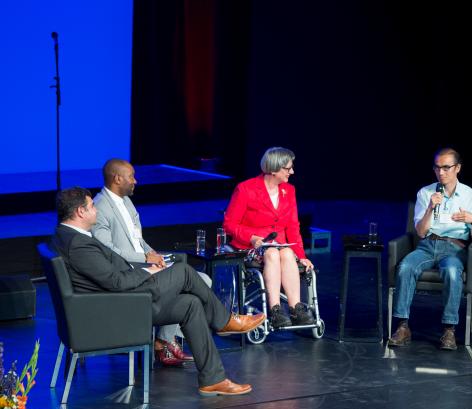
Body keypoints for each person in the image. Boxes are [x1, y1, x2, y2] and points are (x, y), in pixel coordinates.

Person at [53, 186, 265, 396]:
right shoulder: (78, 244)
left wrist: (146, 269)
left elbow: (109, 275)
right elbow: (115, 282)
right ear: (80, 212)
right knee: (184, 272)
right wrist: (148, 272)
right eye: (91, 206)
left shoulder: (67, 236)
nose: (96, 210)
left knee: (190, 304)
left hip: (121, 298)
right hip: (121, 305)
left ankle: (213, 379)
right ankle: (225, 321)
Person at [92, 158, 209, 367]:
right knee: (187, 282)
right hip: (131, 271)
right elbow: (108, 250)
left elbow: (137, 239)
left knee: (203, 279)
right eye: (131, 177)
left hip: (145, 264)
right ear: (118, 178)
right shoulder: (101, 206)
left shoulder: (126, 200)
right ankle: (166, 342)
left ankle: (164, 340)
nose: (135, 181)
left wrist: (153, 253)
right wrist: (145, 258)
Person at [388, 148, 472, 350]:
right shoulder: (425, 193)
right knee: (406, 267)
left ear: (457, 168)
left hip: (454, 248)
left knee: (451, 271)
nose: (441, 172)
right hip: (427, 245)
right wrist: (430, 208)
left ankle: (449, 330)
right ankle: (403, 326)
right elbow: (421, 232)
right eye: (437, 168)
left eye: (446, 168)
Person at [223, 147, 315, 329]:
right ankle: (275, 311)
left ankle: (296, 308)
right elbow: (229, 224)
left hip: (280, 246)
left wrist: (302, 255)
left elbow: (293, 226)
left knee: (287, 253)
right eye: (288, 168)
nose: (292, 172)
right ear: (274, 169)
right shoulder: (246, 189)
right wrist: (252, 238)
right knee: (272, 253)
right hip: (251, 247)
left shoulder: (289, 190)